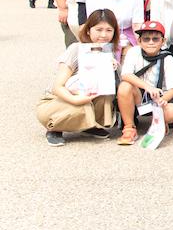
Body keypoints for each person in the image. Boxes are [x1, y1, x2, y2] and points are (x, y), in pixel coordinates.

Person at [36, 9, 120, 146]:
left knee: (106, 97)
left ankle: (89, 125)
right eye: (99, 30)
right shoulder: (76, 49)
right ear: (88, 31)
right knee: (79, 107)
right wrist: (75, 100)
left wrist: (112, 69)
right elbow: (58, 87)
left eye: (109, 30)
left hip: (89, 95)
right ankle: (55, 128)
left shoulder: (110, 52)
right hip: (60, 99)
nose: (103, 35)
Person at [115, 20, 173, 146]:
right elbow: (126, 75)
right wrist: (148, 87)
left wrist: (161, 100)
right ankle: (129, 128)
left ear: (163, 41)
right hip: (140, 95)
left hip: (161, 97)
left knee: (172, 112)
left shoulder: (169, 59)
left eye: (155, 39)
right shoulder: (133, 52)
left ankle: (159, 123)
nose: (151, 42)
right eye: (146, 39)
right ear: (139, 41)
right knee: (124, 86)